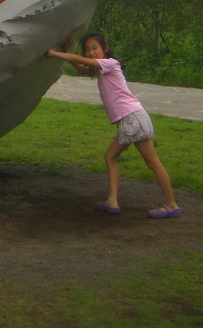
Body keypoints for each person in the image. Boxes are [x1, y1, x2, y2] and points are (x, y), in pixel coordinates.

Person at [45, 32, 181, 219]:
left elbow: (80, 60)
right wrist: (66, 50)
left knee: (138, 160)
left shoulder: (110, 63)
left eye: (95, 48)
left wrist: (54, 54)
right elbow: (82, 68)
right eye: (88, 49)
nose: (91, 52)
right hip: (132, 119)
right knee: (123, 158)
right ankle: (114, 200)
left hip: (132, 119)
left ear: (105, 49)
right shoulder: (101, 69)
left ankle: (170, 204)